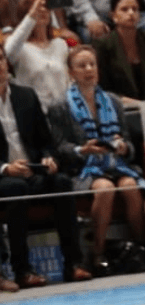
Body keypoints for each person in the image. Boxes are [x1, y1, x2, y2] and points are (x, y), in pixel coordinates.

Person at [50, 45, 145, 271]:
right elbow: (59, 147)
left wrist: (123, 147)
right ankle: (97, 253)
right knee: (105, 188)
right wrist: (82, 150)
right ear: (71, 73)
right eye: (82, 66)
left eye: (92, 64)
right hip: (83, 169)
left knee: (130, 186)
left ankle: (139, 247)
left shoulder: (113, 101)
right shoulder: (59, 106)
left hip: (116, 164)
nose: (89, 69)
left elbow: (128, 142)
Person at [0, 46, 90, 285]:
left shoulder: (26, 96)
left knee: (61, 182)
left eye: (0, 59)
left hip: (32, 171)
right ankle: (22, 270)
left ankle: (73, 264)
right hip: (4, 178)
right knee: (15, 187)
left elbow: (46, 142)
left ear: (7, 63)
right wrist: (5, 168)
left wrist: (49, 158)